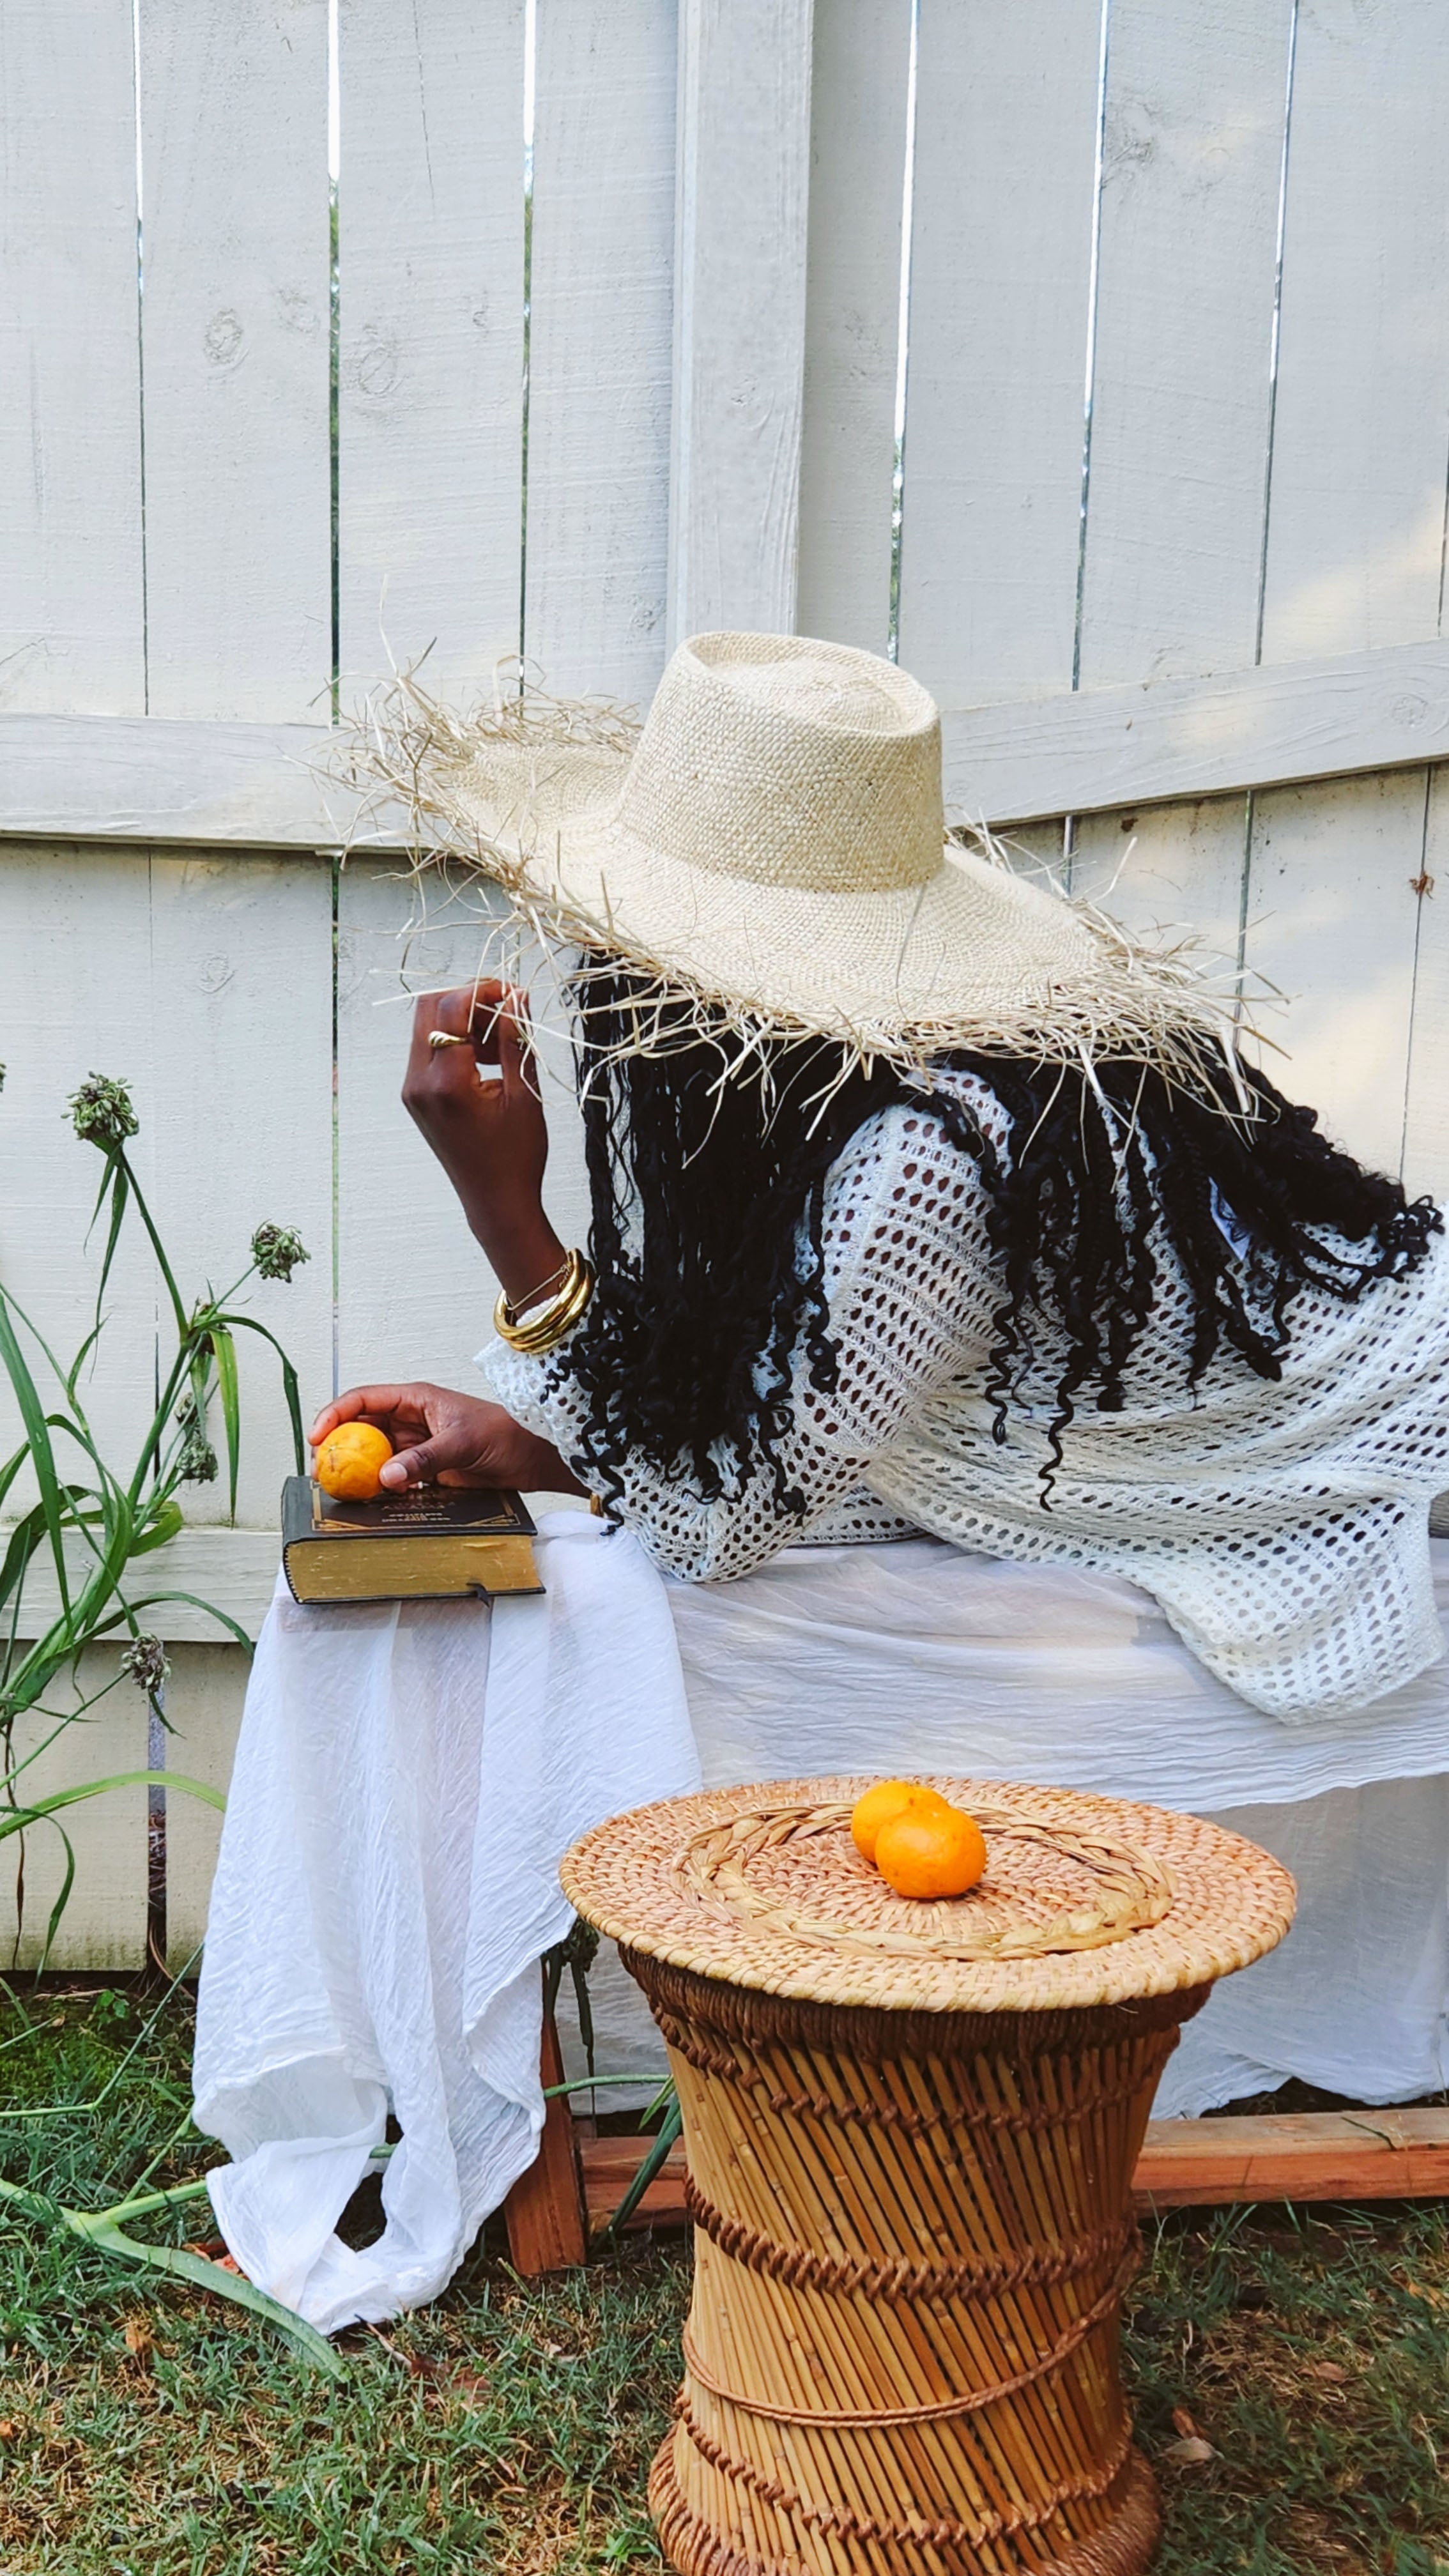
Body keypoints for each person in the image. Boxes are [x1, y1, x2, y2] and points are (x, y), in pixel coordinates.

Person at [197, 632, 1449, 2329]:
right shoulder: (858, 1104)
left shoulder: (925, 1159)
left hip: (1392, 1457)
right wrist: (542, 1430)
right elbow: (839, 1427)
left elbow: (718, 1522)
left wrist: (514, 1224)